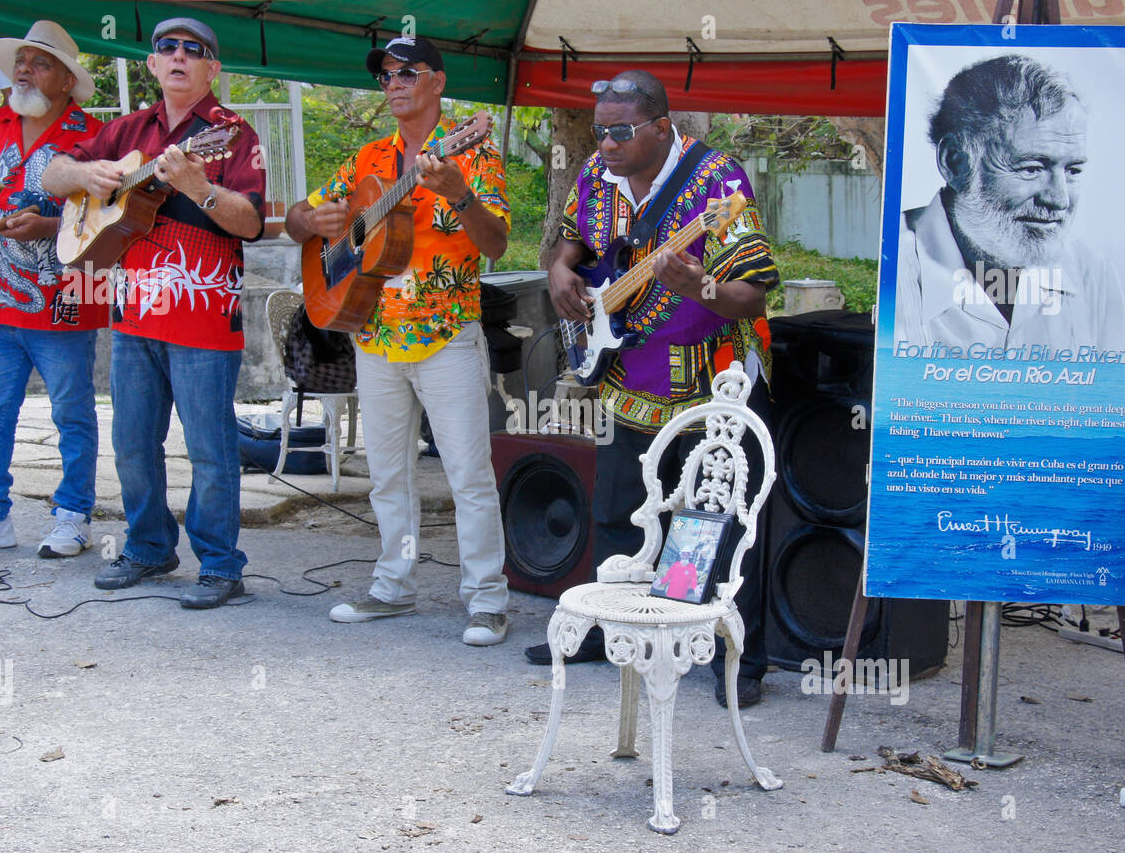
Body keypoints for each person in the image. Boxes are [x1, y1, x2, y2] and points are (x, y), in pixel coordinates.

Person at [527, 70, 780, 708]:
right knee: (616, 509)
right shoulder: (594, 174)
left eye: (621, 131)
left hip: (710, 376)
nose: (606, 143)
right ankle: (603, 633)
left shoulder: (718, 183)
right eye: (599, 130)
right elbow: (572, 241)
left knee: (718, 515)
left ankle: (736, 659)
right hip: (626, 373)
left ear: (662, 127)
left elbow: (753, 290)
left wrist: (699, 287)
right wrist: (561, 269)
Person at [285, 35, 511, 646]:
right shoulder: (366, 159)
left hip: (445, 334)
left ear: (437, 81)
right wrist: (317, 221)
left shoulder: (475, 150)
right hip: (373, 333)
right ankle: (393, 586)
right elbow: (293, 221)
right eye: (385, 77)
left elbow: (495, 244)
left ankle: (487, 599)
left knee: (468, 474)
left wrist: (458, 192)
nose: (393, 85)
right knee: (387, 474)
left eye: (406, 74)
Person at [43, 17, 265, 609]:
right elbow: (51, 173)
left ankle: (220, 565)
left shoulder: (232, 134)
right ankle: (147, 547)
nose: (179, 56)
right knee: (133, 443)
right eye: (167, 47)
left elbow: (253, 223)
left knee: (210, 451)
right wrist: (87, 174)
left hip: (203, 318)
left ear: (212, 68)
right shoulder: (125, 131)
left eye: (195, 50)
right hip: (134, 315)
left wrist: (198, 186)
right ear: (152, 64)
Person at [0, 21, 105, 559]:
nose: (23, 70)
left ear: (65, 81)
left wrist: (52, 228)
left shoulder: (91, 137)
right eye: (21, 61)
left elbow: (110, 215)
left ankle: (73, 517)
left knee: (72, 413)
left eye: (40, 63)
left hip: (65, 298)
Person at [893, 55, 1125, 354]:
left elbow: (1110, 394)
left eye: (1072, 171)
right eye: (1031, 168)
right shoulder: (896, 268)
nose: (1059, 199)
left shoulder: (1091, 272)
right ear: (956, 162)